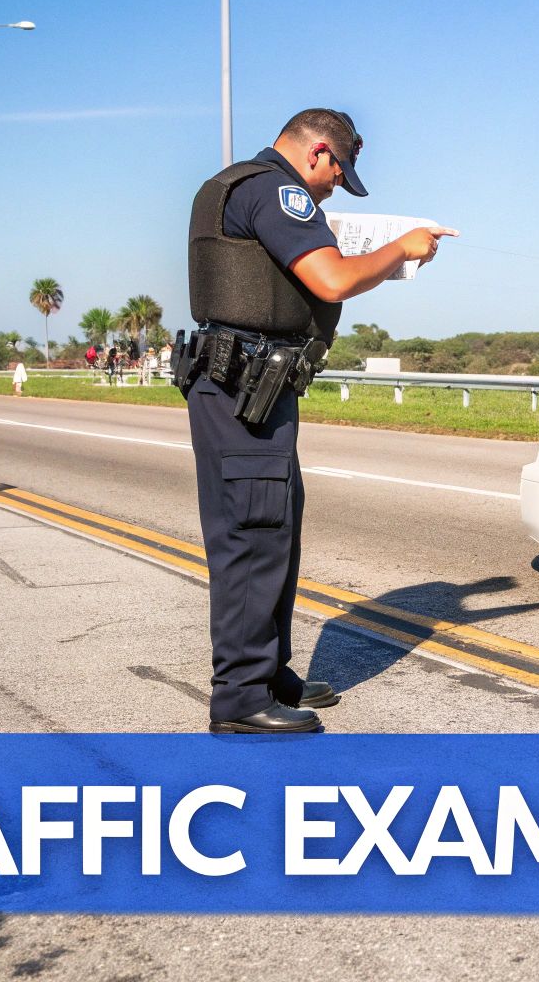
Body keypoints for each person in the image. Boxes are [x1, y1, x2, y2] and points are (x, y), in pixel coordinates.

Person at [183, 107, 455, 733]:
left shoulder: (235, 185)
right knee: (252, 538)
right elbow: (330, 280)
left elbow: (310, 286)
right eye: (337, 174)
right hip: (243, 389)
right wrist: (401, 247)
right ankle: (241, 699)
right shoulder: (275, 189)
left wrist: (388, 263)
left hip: (252, 386)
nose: (332, 187)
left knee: (274, 531)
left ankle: (269, 676)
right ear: (319, 152)